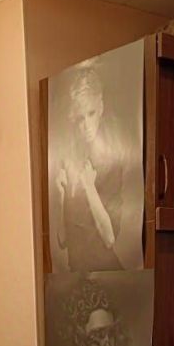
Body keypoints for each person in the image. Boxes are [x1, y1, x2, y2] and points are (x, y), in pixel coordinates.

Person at [53, 66, 127, 271]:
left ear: (100, 107)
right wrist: (60, 197)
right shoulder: (69, 158)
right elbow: (62, 240)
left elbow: (109, 238)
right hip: (78, 276)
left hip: (105, 274)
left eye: (91, 113)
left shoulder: (112, 160)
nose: (86, 125)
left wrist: (89, 187)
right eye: (80, 118)